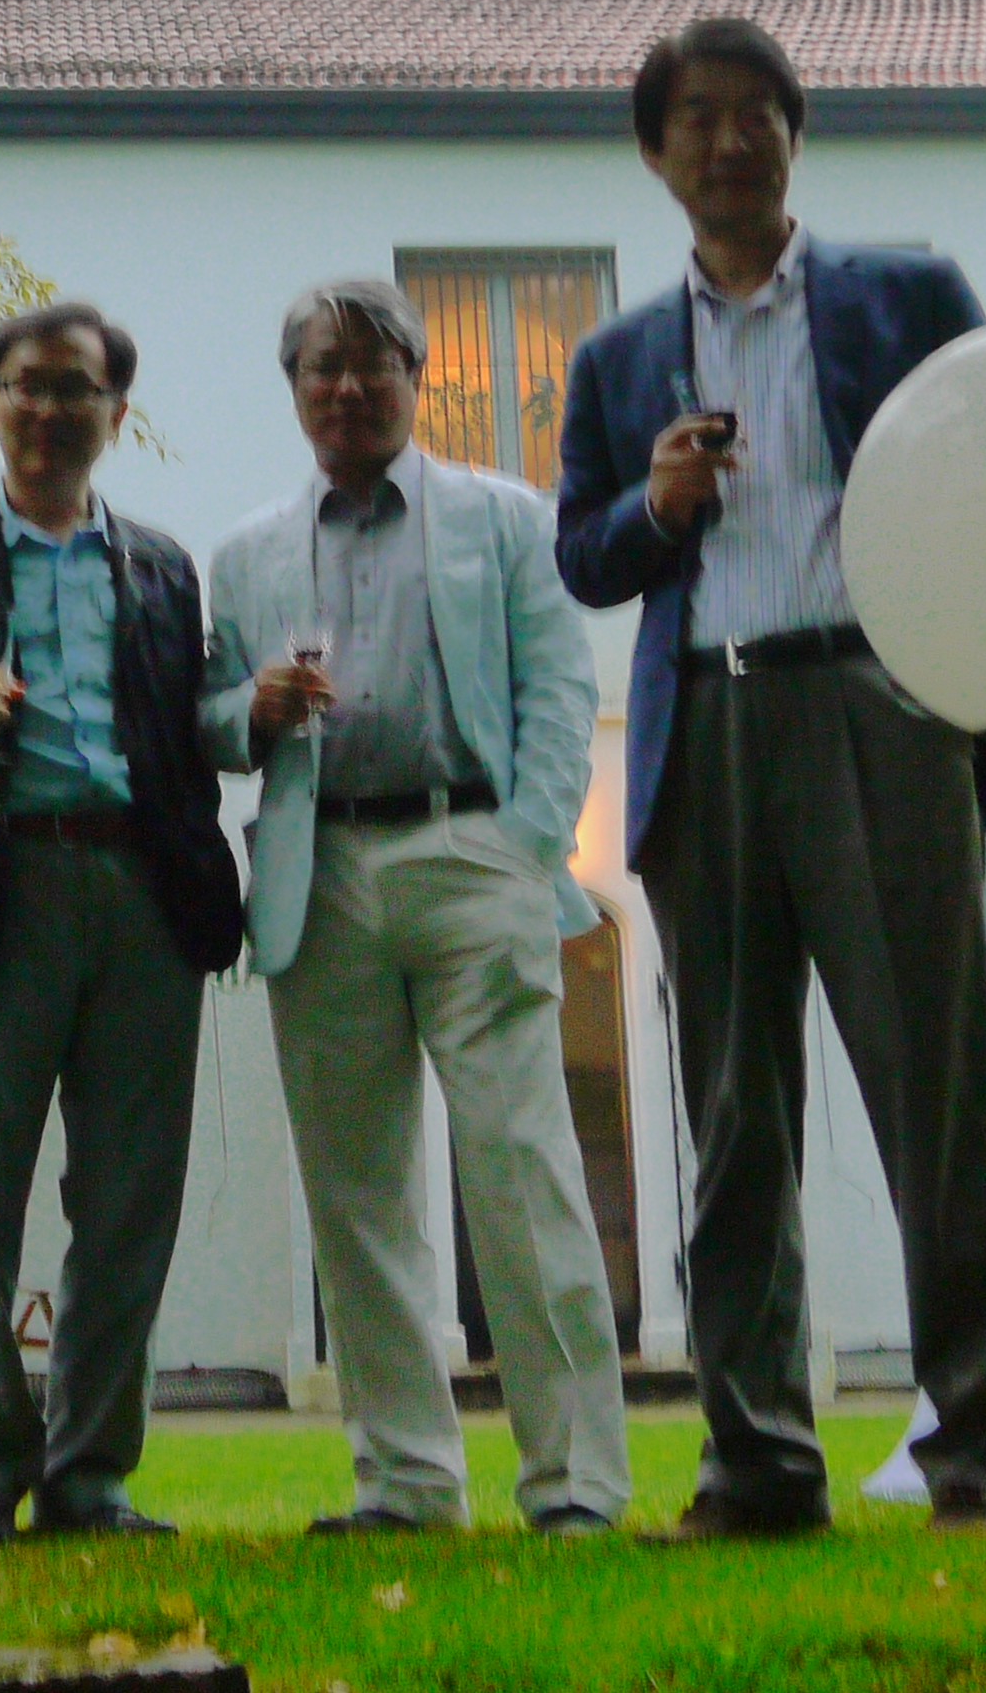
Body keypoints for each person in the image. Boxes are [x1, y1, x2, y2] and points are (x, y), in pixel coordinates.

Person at [556, 17, 986, 1538]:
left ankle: (983, 1452)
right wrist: (657, 505)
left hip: (878, 702)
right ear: (655, 154)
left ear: (794, 130)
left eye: (754, 111)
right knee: (733, 1117)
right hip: (704, 725)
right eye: (696, 117)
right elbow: (583, 555)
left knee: (935, 1097)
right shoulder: (616, 356)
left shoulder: (908, 295)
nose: (727, 140)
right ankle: (758, 1462)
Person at [201, 281, 628, 1536]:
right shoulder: (247, 553)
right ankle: (404, 1480)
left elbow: (559, 688)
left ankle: (576, 1482)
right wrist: (247, 712)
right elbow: (203, 716)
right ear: (293, 388)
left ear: (417, 376)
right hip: (317, 870)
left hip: (469, 849)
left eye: (371, 363)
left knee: (522, 1171)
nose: (346, 387)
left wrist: (524, 843)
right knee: (356, 1198)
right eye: (321, 367)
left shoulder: (505, 518)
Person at [0, 303, 246, 1543]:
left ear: (116, 413)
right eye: (26, 385)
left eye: (77, 390)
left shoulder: (159, 564)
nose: (49, 410)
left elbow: (181, 730)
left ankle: (91, 1471)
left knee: (127, 1207)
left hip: (141, 893)